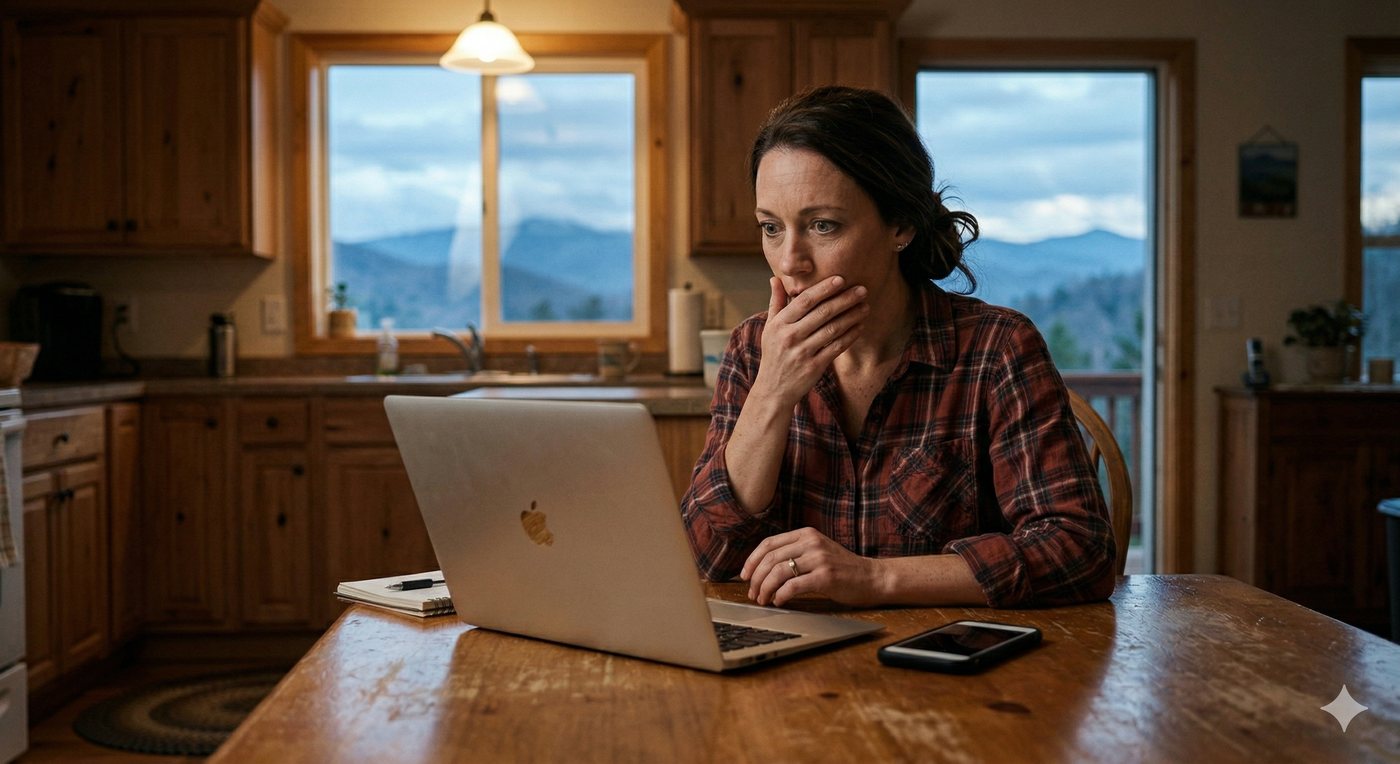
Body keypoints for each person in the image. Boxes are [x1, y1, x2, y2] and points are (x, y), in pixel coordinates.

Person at [680, 86, 1116, 609]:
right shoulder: (753, 349)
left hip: (952, 667)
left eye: (823, 226)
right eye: (771, 228)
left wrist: (874, 578)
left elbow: (1080, 551)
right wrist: (771, 393)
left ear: (901, 225)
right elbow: (707, 555)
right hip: (791, 667)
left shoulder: (998, 349)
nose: (790, 260)